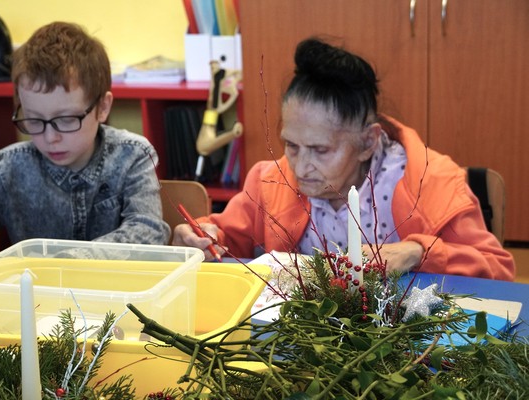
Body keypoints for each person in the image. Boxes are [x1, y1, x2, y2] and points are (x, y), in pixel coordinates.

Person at [173, 37, 515, 281]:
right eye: (291, 145)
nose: (300, 167)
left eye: (321, 150)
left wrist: (417, 251)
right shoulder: (271, 182)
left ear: (368, 142)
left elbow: (498, 269)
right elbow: (228, 240)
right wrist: (200, 238)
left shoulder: (432, 184)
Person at [0, 22, 170, 279]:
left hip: (116, 296)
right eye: (34, 120)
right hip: (35, 301)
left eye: (66, 120)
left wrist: (58, 264)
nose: (50, 137)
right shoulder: (6, 169)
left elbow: (148, 231)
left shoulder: (132, 155)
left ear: (102, 107)